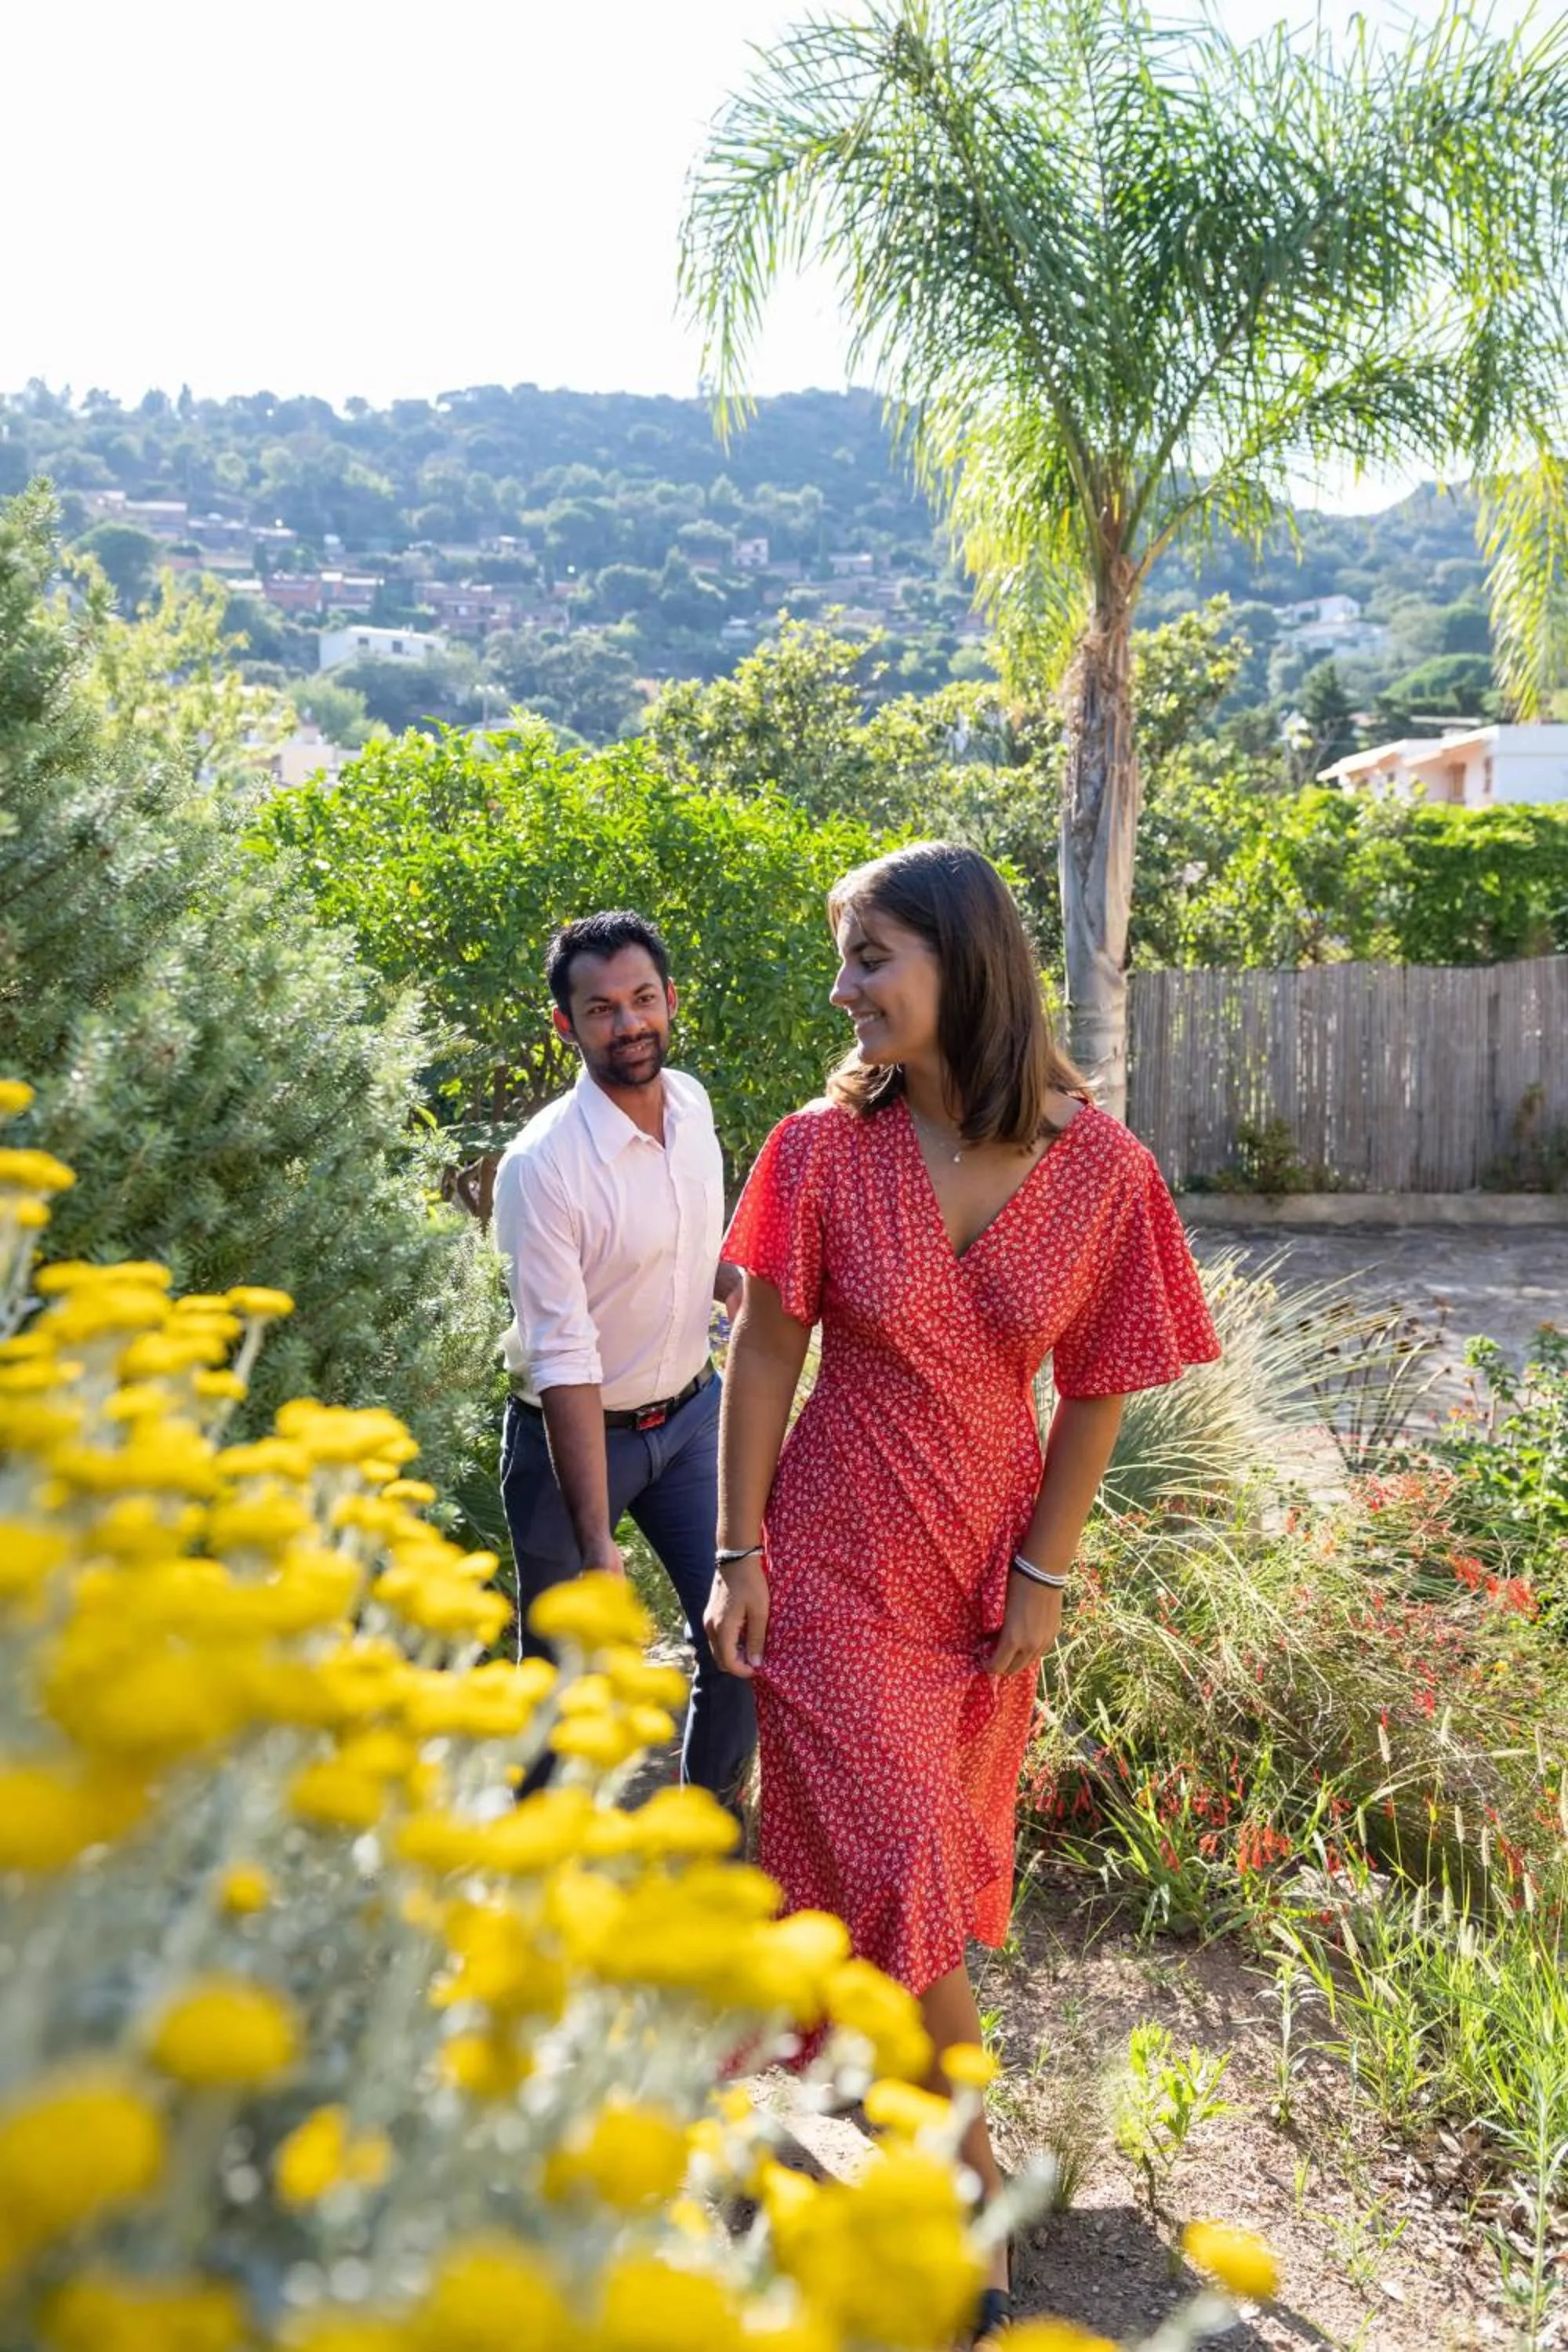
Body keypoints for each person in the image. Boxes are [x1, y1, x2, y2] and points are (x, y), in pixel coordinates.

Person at [705, 843, 1220, 2340]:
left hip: (983, 1570)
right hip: (835, 1554)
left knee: (884, 1878)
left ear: (963, 964)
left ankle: (764, 2070)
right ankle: (976, 2206)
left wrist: (1048, 1574)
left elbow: (1100, 1395)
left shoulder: (1106, 1173)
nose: (844, 989)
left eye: (871, 959)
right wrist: (740, 1550)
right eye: (846, 961)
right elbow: (768, 1356)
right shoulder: (817, 1149)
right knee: (907, 1858)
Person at [494, 909, 755, 1806]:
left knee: (741, 1631)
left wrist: (726, 1279)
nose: (628, 1022)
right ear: (564, 1026)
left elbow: (677, 1240)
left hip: (689, 1422)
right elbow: (562, 1357)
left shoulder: (691, 1104)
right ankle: (525, 1872)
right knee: (563, 1677)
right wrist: (596, 1537)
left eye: (642, 999)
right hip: (573, 1440)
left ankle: (707, 1837)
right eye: (600, 1008)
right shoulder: (542, 1167)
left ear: (670, 1001)